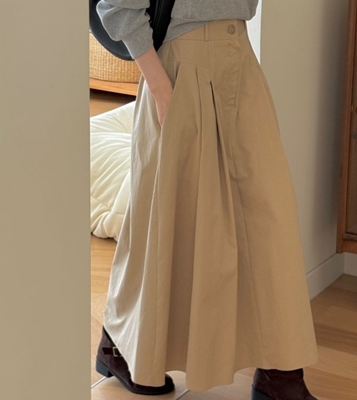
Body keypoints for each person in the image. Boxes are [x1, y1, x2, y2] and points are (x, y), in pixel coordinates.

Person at [95, 1, 319, 399]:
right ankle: (120, 346)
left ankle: (280, 372)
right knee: (166, 220)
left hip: (240, 61)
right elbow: (117, 6)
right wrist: (161, 88)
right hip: (179, 71)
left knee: (272, 217)